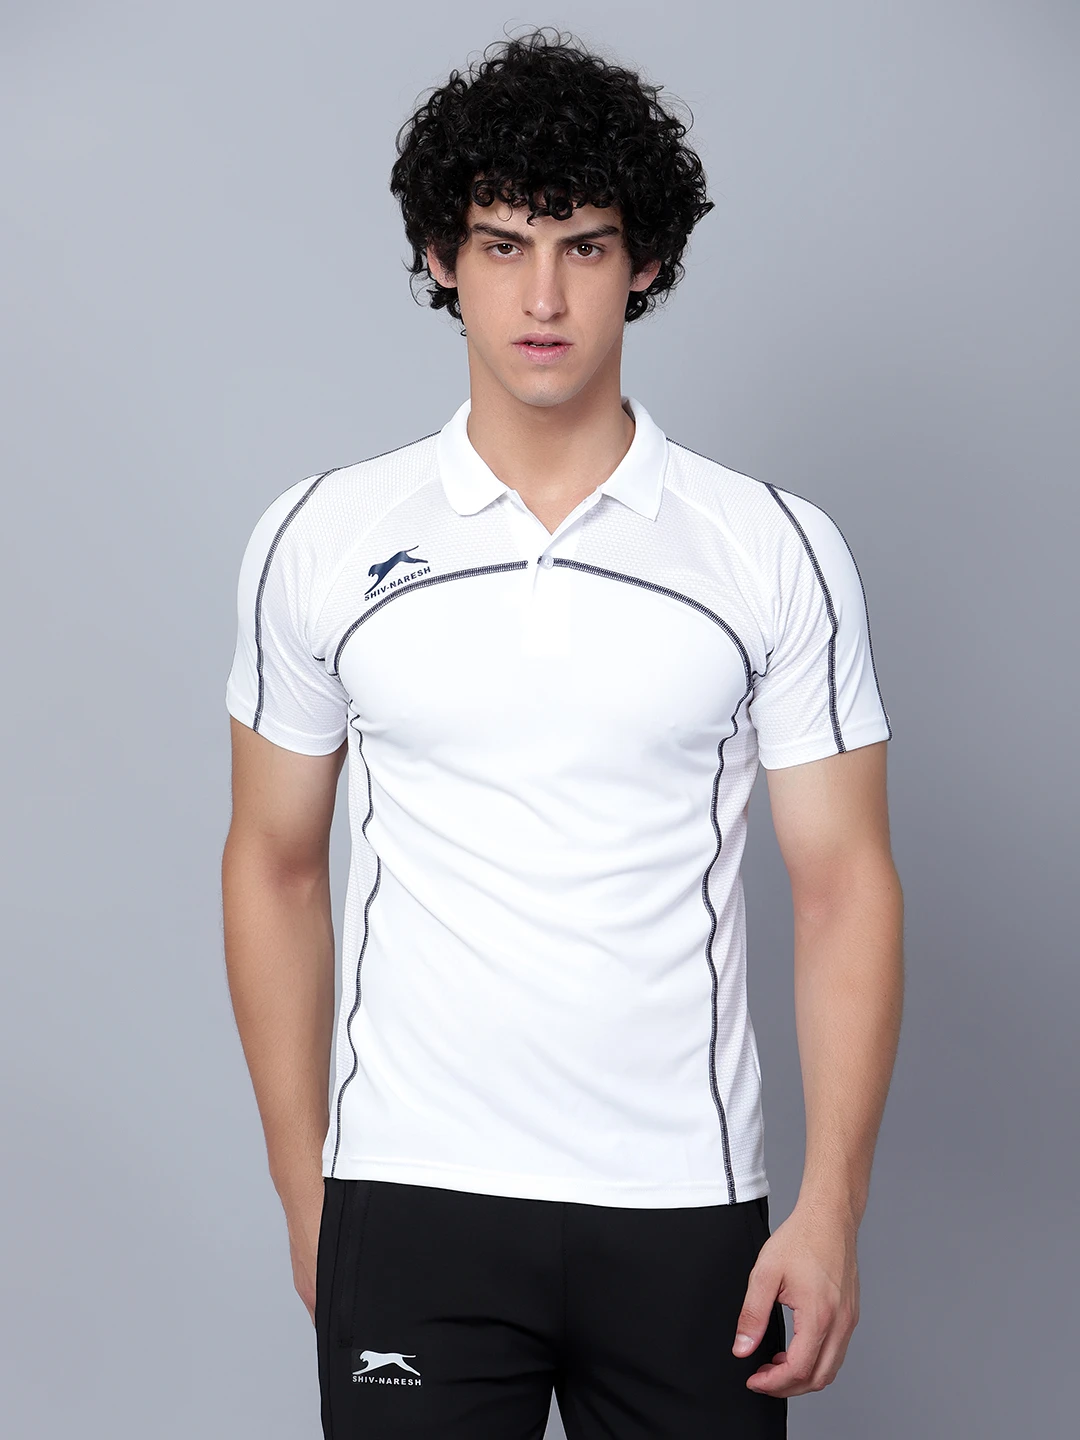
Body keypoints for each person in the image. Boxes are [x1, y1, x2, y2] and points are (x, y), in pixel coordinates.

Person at [221, 26, 904, 1440]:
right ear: (440, 257)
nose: (543, 296)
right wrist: (307, 1190)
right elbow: (273, 865)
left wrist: (831, 1206)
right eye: (502, 244)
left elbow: (845, 885)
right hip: (413, 1195)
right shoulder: (320, 537)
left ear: (645, 263)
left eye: (585, 246)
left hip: (685, 1205)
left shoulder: (772, 548)